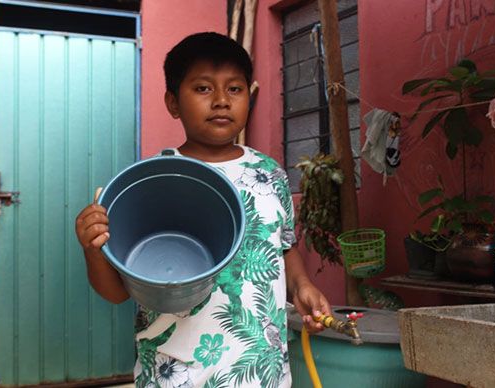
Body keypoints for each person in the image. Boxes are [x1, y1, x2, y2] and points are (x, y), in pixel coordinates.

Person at [75, 32, 331, 387]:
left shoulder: (269, 172)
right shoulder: (154, 181)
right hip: (178, 373)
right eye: (203, 89)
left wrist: (302, 284)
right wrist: (93, 249)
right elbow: (118, 291)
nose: (222, 101)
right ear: (173, 102)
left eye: (235, 89)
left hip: (262, 371)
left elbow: (284, 246)